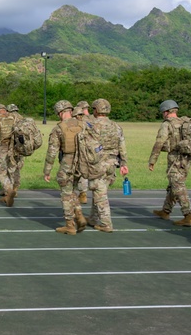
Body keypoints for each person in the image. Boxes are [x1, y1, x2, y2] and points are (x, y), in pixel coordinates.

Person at [148, 99, 191, 226]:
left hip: (175, 159)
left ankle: (188, 215)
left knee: (178, 186)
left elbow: (159, 142)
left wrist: (152, 160)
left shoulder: (167, 124)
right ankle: (166, 211)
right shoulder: (185, 122)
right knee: (173, 185)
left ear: (166, 112)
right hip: (187, 159)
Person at [86, 98, 129, 233]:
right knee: (100, 190)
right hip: (112, 163)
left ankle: (106, 223)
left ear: (96, 110)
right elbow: (122, 146)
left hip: (98, 163)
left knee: (100, 193)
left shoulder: (91, 126)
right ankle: (93, 218)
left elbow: (86, 146)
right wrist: (123, 163)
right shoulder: (116, 126)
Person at [44, 100, 85, 234]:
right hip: (83, 164)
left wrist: (47, 171)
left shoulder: (58, 128)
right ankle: (79, 214)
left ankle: (69, 224)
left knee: (66, 193)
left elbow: (52, 151)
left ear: (60, 113)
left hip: (67, 162)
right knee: (73, 190)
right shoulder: (84, 125)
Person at [0, 104, 18, 205]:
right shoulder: (15, 117)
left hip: (4, 147)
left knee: (0, 171)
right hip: (15, 148)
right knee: (11, 170)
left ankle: (8, 189)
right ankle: (8, 194)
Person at [73, 100, 91, 204]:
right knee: (84, 172)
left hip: (77, 149)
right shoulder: (92, 119)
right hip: (89, 150)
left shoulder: (76, 120)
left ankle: (74, 193)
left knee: (75, 171)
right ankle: (83, 193)